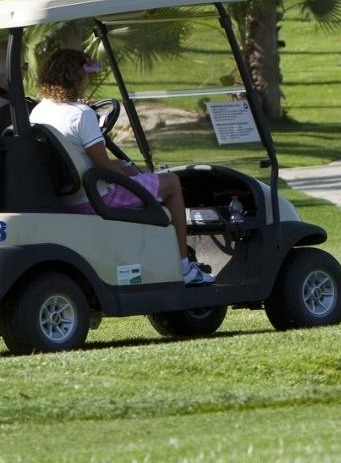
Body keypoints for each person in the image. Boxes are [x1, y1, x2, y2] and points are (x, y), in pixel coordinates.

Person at [29, 47, 212, 285]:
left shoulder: (38, 111)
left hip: (68, 196)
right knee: (172, 184)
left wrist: (122, 168)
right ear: (76, 78)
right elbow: (105, 167)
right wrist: (128, 170)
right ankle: (184, 266)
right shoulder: (81, 114)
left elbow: (86, 158)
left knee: (137, 175)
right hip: (97, 198)